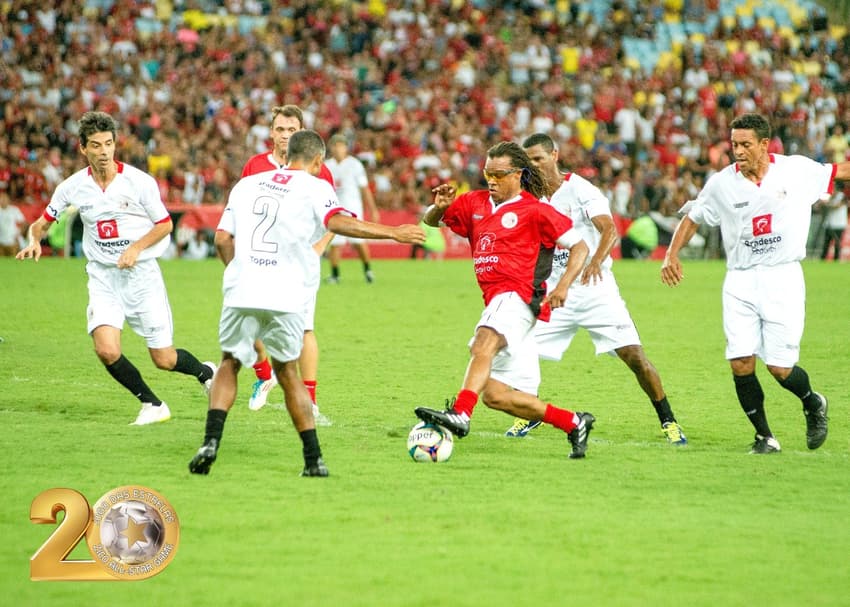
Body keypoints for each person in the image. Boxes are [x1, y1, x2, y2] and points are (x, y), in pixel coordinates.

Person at [189, 130, 425, 476]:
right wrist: (392, 233)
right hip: (285, 293)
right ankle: (313, 460)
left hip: (242, 288)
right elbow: (337, 223)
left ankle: (210, 441)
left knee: (229, 363)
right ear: (318, 162)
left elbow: (222, 237)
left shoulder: (248, 184)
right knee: (288, 373)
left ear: (286, 155)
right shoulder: (316, 187)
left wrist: (237, 271)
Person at [661, 113, 850, 453]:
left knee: (779, 367)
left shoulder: (795, 170)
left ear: (765, 145)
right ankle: (765, 436)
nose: (738, 151)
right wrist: (671, 254)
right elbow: (694, 217)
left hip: (783, 277)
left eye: (746, 144)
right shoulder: (721, 183)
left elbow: (839, 171)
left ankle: (812, 402)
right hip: (740, 279)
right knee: (740, 361)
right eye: (734, 144)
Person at [16, 111, 215, 425]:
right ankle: (153, 404)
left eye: (108, 144)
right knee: (106, 349)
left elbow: (164, 226)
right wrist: (34, 240)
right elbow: (42, 223)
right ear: (83, 149)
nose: (104, 152)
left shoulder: (138, 182)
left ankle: (206, 373)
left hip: (141, 276)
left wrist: (135, 248)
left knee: (164, 358)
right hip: (103, 276)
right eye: (96, 145)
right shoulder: (72, 187)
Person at [413, 141, 596, 459]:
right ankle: (574, 422)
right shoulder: (474, 203)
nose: (492, 181)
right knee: (497, 396)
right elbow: (430, 222)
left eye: (499, 174)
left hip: (517, 296)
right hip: (499, 302)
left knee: (482, 343)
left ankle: (460, 414)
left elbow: (579, 246)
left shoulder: (536, 210)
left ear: (519, 175)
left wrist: (564, 286)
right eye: (488, 174)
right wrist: (440, 206)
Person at [504, 133, 686, 444]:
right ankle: (530, 415)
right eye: (528, 161)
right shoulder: (529, 197)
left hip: (594, 287)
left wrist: (595, 261)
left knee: (634, 356)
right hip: (556, 290)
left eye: (538, 158)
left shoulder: (581, 190)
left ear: (555, 155)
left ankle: (668, 420)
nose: (533, 165)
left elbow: (609, 229)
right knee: (523, 352)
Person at [241, 105, 334, 419]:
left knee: (304, 329)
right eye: (279, 129)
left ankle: (311, 399)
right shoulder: (254, 166)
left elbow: (334, 217)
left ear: (301, 132)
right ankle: (264, 376)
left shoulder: (318, 167)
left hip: (298, 264)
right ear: (270, 133)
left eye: (291, 129)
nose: (284, 135)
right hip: (260, 260)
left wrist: (318, 248)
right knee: (246, 322)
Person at [324, 133, 380, 283]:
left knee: (358, 241)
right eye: (335, 146)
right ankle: (335, 275)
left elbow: (364, 188)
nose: (337, 149)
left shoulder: (354, 164)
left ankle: (368, 270)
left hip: (353, 208)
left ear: (345, 148)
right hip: (334, 209)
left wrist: (373, 209)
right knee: (335, 243)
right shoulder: (327, 165)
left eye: (340, 146)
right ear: (331, 147)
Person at [819, 189, 847, 261]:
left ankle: (836, 259)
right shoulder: (828, 196)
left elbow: (837, 206)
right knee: (826, 243)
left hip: (839, 224)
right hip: (828, 224)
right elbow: (820, 206)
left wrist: (827, 204)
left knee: (837, 243)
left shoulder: (842, 196)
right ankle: (823, 259)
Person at [0, 191, 25, 256]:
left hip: (12, 241)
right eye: (2, 199)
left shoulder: (14, 210)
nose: (3, 201)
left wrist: (19, 233)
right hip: (1, 242)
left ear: (8, 200)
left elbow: (23, 222)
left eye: (5, 199)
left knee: (13, 261)